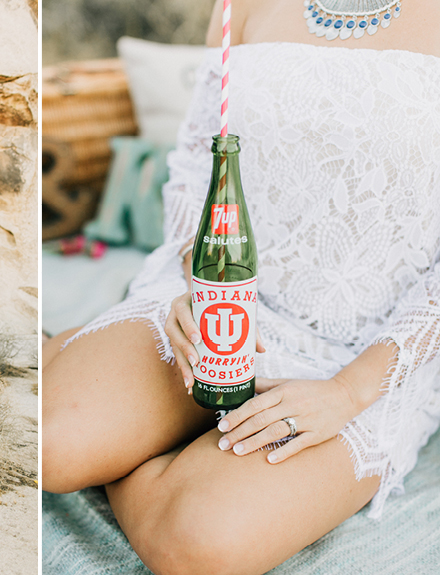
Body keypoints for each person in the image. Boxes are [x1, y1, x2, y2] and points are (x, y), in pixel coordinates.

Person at [43, 0, 440, 573]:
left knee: (199, 547)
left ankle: (119, 407)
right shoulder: (240, 5)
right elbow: (195, 164)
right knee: (54, 447)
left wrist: (348, 393)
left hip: (361, 360)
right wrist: (194, 283)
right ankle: (126, 398)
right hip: (214, 303)